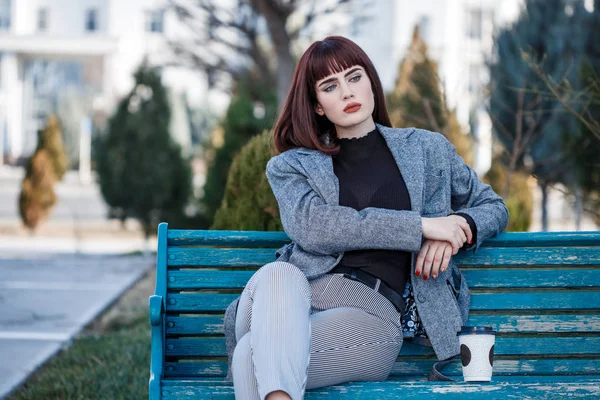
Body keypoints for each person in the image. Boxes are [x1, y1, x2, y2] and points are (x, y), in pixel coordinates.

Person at [222, 36, 509, 400]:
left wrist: (458, 227)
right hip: (289, 295)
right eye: (330, 86)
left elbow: (493, 206)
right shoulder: (291, 166)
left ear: (371, 82)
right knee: (280, 273)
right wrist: (421, 226)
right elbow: (313, 227)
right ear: (318, 106)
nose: (346, 92)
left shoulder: (426, 149)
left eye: (354, 77)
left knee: (250, 359)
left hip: (370, 313)